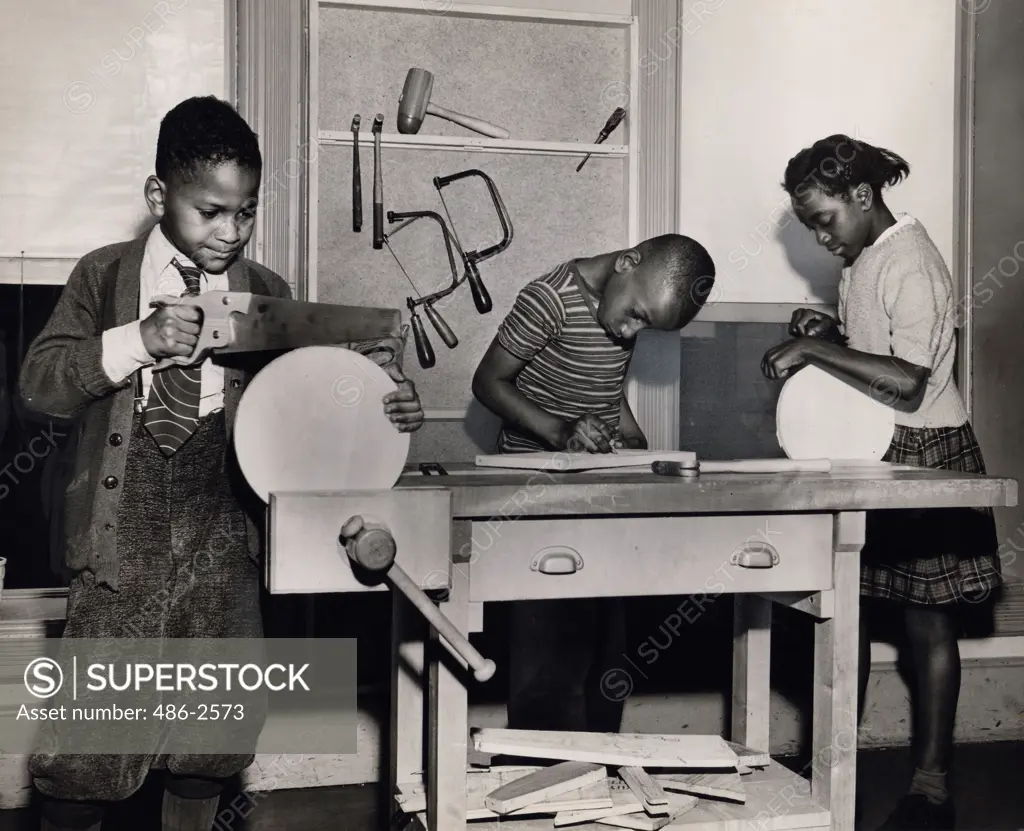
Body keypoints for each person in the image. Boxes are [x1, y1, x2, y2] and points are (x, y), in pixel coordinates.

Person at [18, 95, 424, 831]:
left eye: (245, 213)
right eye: (210, 212)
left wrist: (378, 401)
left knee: (213, 731)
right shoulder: (102, 275)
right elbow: (40, 385)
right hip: (119, 537)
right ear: (157, 196)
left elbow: (306, 419)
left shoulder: (266, 292)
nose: (229, 232)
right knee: (90, 745)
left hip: (222, 532)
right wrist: (137, 339)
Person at [761, 134, 1000, 831]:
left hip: (926, 452)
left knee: (929, 626)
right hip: (872, 452)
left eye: (824, 220)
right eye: (808, 225)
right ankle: (828, 766)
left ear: (862, 197)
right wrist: (831, 327)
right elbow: (882, 346)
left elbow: (907, 380)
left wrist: (816, 348)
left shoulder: (913, 261)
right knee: (849, 614)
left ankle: (931, 789)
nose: (818, 236)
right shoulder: (867, 255)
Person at [472, 234, 716, 733]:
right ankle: (539, 775)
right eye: (637, 317)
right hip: (538, 498)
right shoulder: (550, 298)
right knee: (547, 650)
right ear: (627, 263)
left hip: (599, 498)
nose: (629, 334)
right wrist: (560, 432)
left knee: (607, 653)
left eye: (643, 327)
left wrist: (634, 439)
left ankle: (599, 768)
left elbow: (605, 392)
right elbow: (488, 382)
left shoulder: (619, 309)